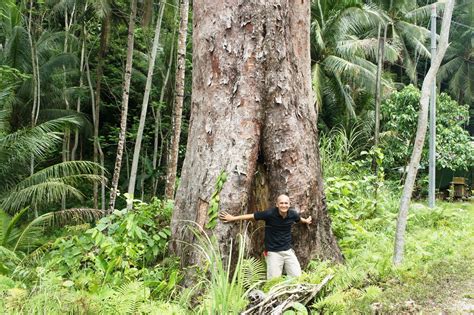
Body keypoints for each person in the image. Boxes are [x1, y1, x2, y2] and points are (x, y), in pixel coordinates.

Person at [218, 194, 312, 279]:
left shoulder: (293, 214)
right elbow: (251, 216)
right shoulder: (269, 214)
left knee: (297, 277)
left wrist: (306, 221)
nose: (284, 205)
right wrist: (233, 218)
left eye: (286, 203)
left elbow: (299, 219)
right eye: (281, 203)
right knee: (273, 281)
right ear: (277, 204)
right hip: (273, 253)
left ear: (289, 204)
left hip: (288, 251)